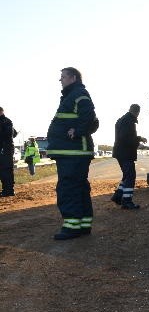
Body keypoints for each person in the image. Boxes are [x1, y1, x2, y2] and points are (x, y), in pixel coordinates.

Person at [46, 67, 98, 240]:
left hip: (73, 152)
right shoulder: (73, 95)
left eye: (63, 77)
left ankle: (72, 226)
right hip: (72, 152)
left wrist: (77, 131)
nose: (60, 80)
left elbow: (91, 118)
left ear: (73, 78)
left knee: (68, 188)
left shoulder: (78, 94)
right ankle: (82, 224)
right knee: (79, 187)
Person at [111, 104, 147, 209]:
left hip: (121, 152)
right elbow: (126, 138)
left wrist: (138, 139)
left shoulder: (123, 119)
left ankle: (118, 196)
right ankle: (127, 201)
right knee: (130, 176)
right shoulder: (129, 121)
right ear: (137, 112)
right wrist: (138, 141)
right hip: (125, 153)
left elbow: (125, 136)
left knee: (127, 175)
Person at [0, 107, 16, 196]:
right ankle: (6, 189)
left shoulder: (6, 121)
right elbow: (15, 133)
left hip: (6, 148)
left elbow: (9, 133)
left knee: (6, 169)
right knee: (2, 170)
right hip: (4, 148)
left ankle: (9, 190)